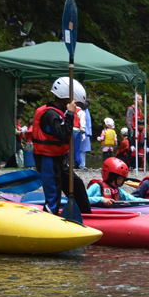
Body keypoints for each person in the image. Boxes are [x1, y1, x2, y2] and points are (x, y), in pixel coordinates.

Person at [30, 76, 92, 216]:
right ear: (66, 100)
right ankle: (49, 218)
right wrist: (70, 113)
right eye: (74, 103)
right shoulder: (51, 114)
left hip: (58, 158)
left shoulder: (58, 112)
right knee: (54, 195)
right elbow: (62, 134)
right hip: (48, 159)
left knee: (76, 184)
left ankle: (86, 215)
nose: (76, 106)